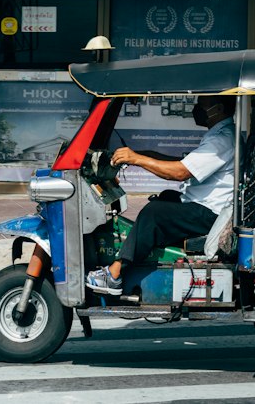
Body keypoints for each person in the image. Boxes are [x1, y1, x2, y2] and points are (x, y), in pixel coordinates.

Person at [86, 93, 236, 296]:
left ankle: (114, 274)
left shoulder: (222, 139)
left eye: (201, 105)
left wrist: (138, 159)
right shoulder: (220, 134)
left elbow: (180, 172)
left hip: (210, 214)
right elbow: (180, 162)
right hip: (206, 207)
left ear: (217, 109)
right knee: (166, 197)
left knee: (154, 212)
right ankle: (155, 255)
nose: (195, 109)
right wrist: (140, 155)